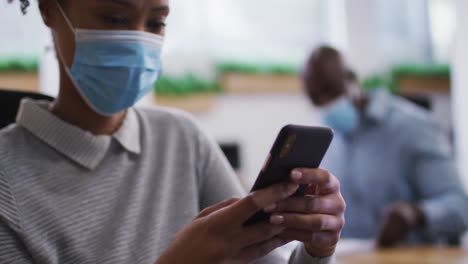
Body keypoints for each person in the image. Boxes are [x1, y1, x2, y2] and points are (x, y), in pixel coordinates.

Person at [0, 1, 346, 263]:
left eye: (156, 23)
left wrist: (317, 249)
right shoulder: (6, 179)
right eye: (115, 18)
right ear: (49, 10)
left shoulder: (183, 139)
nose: (137, 40)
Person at [302, 45, 468, 247]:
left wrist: (416, 214)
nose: (325, 103)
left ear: (351, 79)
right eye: (315, 99)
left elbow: (461, 207)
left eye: (330, 91)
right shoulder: (326, 140)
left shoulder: (413, 127)